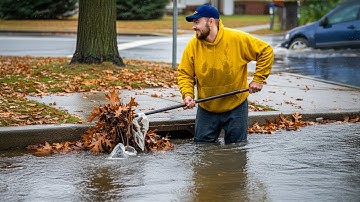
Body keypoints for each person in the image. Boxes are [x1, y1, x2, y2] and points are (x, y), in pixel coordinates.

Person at [177, 4, 274, 144]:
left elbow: (266, 51)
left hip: (236, 105)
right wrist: (187, 95)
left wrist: (258, 79)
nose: (194, 26)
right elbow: (185, 73)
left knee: (236, 150)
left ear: (211, 22)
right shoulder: (193, 46)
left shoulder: (236, 38)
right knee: (202, 148)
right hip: (207, 107)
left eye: (197, 22)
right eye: (194, 23)